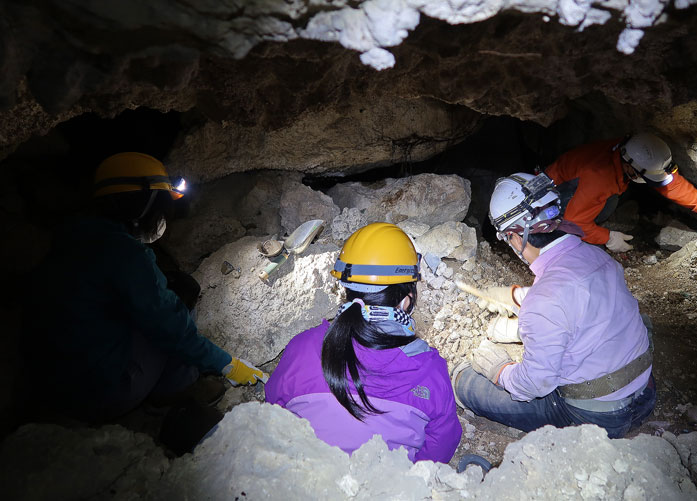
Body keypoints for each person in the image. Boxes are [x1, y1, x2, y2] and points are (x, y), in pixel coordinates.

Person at [25, 152, 264, 432]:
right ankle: (174, 393)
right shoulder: (124, 254)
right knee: (172, 314)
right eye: (160, 207)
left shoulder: (73, 236)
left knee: (173, 290)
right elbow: (169, 325)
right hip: (97, 395)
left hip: (52, 381)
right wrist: (226, 364)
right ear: (142, 204)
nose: (162, 216)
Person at [452, 172, 656, 438]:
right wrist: (513, 296)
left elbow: (535, 384)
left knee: (465, 382)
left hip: (597, 418)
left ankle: (465, 381)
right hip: (645, 394)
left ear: (516, 236)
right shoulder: (598, 257)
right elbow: (572, 297)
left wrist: (499, 370)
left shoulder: (545, 300)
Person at [265, 222, 461, 462]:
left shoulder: (302, 347)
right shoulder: (430, 370)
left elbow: (271, 415)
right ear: (406, 301)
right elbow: (439, 452)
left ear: (346, 287)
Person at [545, 133, 697, 252]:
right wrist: (606, 237)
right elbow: (575, 221)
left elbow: (670, 183)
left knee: (612, 199)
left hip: (581, 180)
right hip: (553, 194)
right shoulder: (600, 177)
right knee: (603, 207)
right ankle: (557, 237)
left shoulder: (632, 150)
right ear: (630, 168)